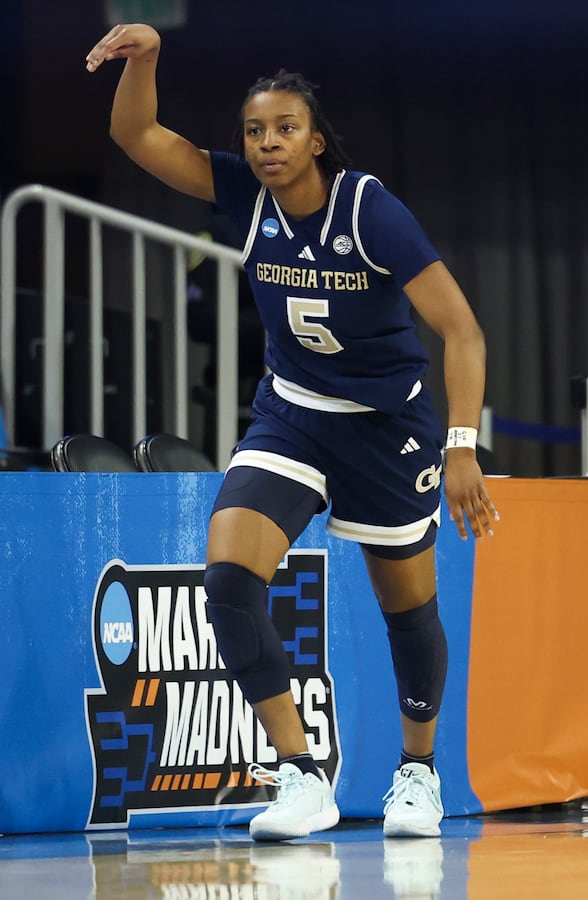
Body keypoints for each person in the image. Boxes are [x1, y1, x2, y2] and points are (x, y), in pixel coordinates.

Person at [86, 24, 500, 842]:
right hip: (292, 414)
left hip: (388, 429)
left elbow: (464, 331)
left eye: (284, 129)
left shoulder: (369, 210)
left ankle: (416, 772)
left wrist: (460, 448)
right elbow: (135, 134)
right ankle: (302, 775)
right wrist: (147, 61)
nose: (268, 144)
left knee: (408, 609)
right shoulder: (244, 197)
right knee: (230, 581)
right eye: (254, 131)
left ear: (315, 139)